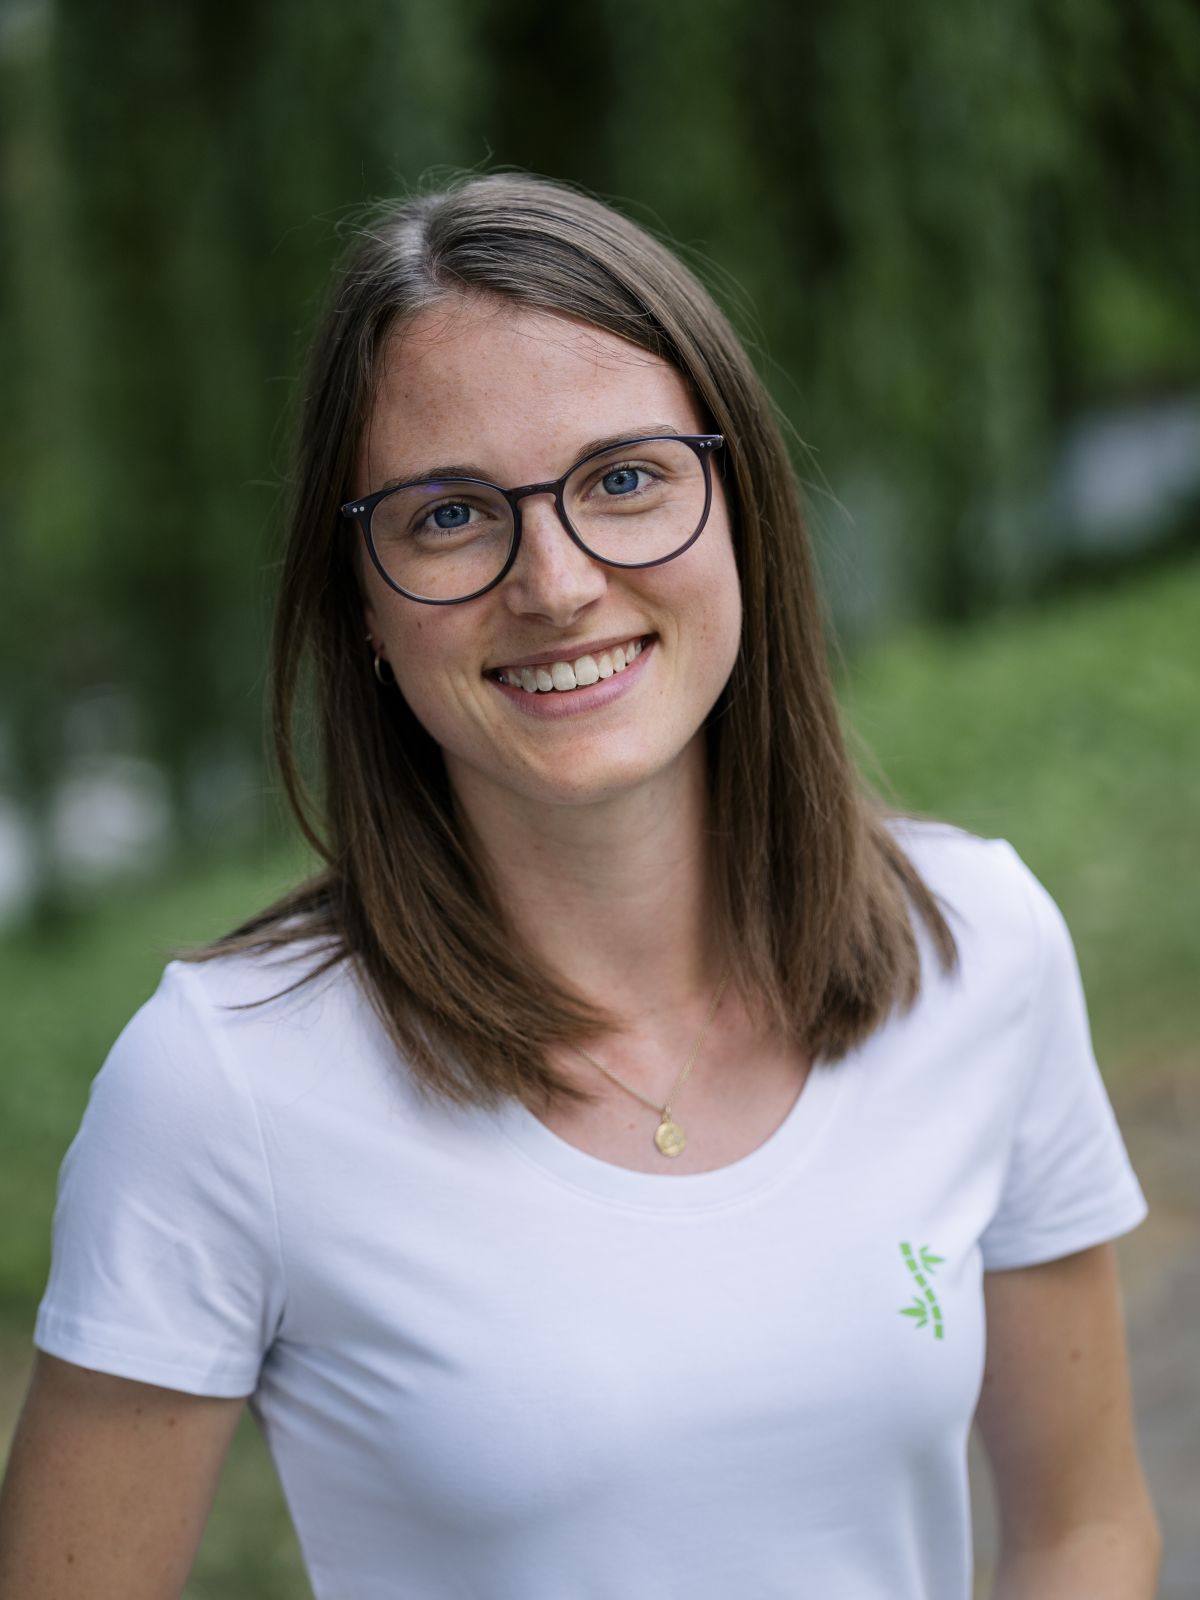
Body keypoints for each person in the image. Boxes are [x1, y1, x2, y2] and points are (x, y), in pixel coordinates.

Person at [0, 172, 1160, 1598]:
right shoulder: (221, 1087)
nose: (554, 584)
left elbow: (1085, 1531)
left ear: (741, 510)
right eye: (449, 515)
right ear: (360, 602)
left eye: (623, 479)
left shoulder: (979, 948)